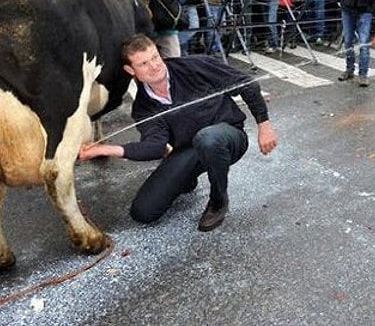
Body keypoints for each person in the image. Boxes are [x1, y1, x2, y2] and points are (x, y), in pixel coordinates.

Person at [79, 34, 278, 231]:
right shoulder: (143, 106)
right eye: (144, 64)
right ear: (130, 70)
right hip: (189, 148)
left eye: (155, 57)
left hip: (228, 137)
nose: (154, 66)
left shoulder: (195, 66)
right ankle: (187, 178)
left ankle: (218, 201)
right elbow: (154, 147)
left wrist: (264, 125)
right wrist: (103, 150)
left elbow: (247, 84)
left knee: (208, 138)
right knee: (143, 211)